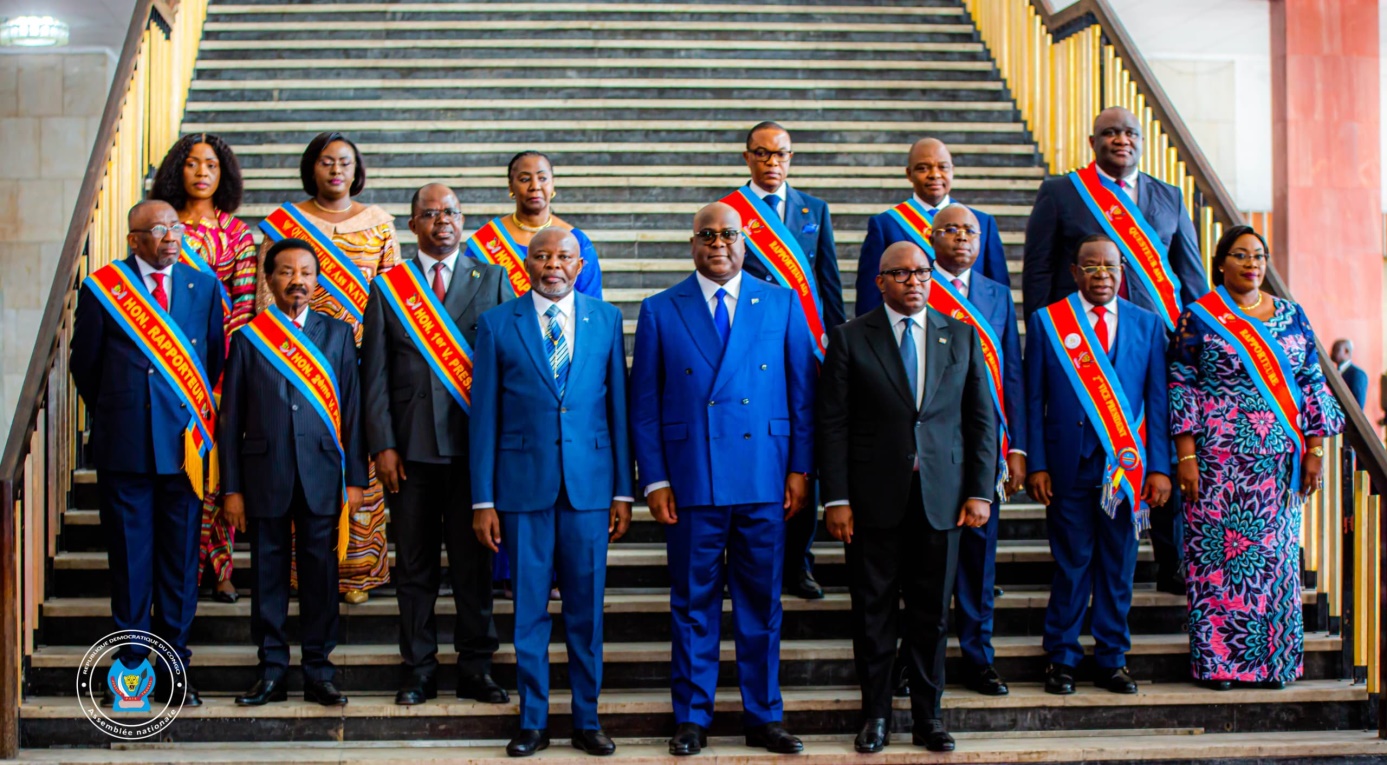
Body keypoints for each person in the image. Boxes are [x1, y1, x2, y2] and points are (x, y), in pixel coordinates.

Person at [630, 202, 817, 756]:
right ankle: (692, 716)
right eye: (707, 235)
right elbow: (644, 406)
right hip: (691, 483)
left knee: (762, 603)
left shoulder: (781, 304)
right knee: (693, 602)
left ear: (745, 240)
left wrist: (800, 468)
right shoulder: (661, 308)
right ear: (692, 243)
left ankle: (764, 716)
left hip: (764, 477)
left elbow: (803, 396)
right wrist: (655, 479)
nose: (718, 243)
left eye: (728, 234)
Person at [820, 240, 997, 754]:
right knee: (872, 613)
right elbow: (832, 425)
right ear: (881, 282)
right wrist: (836, 499)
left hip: (942, 499)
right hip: (872, 502)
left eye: (921, 272)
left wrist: (979, 492)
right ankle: (875, 716)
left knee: (931, 615)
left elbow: (981, 423)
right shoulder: (851, 339)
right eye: (901, 274)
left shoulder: (961, 338)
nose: (914, 281)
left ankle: (928, 718)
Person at [1022, 106, 1208, 595]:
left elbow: (1190, 276)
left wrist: (1197, 346)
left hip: (1154, 345)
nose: (1119, 140)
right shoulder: (1062, 192)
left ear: (1140, 140)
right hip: (1080, 347)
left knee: (1159, 444)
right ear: (1093, 141)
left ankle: (1170, 559)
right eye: (1109, 133)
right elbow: (1039, 271)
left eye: (1128, 132)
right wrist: (1044, 339)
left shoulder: (1168, 196)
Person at [470, 228, 633, 757]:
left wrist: (624, 492)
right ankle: (533, 722)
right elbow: (484, 418)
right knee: (529, 614)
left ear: (581, 263)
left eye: (564, 256)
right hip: (522, 492)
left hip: (589, 491)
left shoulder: (606, 320)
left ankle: (587, 720)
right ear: (526, 263)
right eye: (542, 255)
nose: (553, 264)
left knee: (586, 613)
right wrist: (483, 499)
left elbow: (619, 413)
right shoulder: (497, 324)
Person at [1169, 226, 1344, 690]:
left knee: (1274, 560)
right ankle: (1218, 664)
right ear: (1221, 262)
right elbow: (1182, 381)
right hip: (1216, 460)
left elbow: (1311, 380)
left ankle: (1273, 665)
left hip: (1276, 462)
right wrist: (1185, 456)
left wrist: (1316, 448)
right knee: (1216, 561)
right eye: (1241, 255)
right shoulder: (1198, 316)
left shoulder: (1291, 315)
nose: (1252, 263)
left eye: (1260, 256)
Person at [360, 184, 513, 706]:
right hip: (411, 453)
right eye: (430, 214)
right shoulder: (388, 287)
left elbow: (505, 369)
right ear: (412, 225)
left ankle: (476, 667)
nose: (441, 221)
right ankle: (419, 668)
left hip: (474, 452)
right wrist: (382, 444)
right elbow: (374, 373)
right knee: (416, 568)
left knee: (474, 570)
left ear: (462, 219)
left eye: (450, 212)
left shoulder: (492, 279)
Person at [70, 199, 225, 708]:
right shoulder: (104, 288)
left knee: (179, 566)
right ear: (134, 239)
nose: (171, 236)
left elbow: (214, 358)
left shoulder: (202, 286)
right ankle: (133, 678)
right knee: (132, 567)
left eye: (175, 227)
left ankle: (175, 670)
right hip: (126, 448)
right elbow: (86, 367)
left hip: (185, 451)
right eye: (158, 229)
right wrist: (122, 411)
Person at [220, 239, 366, 708]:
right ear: (270, 279)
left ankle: (319, 671)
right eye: (286, 272)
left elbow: (354, 412)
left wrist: (356, 479)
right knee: (267, 576)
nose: (297, 281)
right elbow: (229, 421)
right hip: (265, 475)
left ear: (317, 279)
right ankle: (271, 671)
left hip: (324, 473)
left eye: (306, 272)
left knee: (322, 577)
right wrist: (232, 489)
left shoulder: (339, 335)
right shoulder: (248, 339)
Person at [1025, 235, 1172, 696]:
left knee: (1118, 565)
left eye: (1110, 266)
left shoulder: (1147, 325)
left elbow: (1159, 403)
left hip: (1125, 473)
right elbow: (1033, 400)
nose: (1102, 274)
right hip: (1067, 465)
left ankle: (1112, 658)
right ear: (1075, 272)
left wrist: (1160, 469)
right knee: (1071, 564)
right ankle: (1063, 658)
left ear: (1123, 270)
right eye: (1091, 267)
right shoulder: (1049, 322)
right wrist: (1037, 464)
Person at [257, 131, 399, 605]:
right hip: (294, 362)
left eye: (345, 162)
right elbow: (266, 296)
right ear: (311, 167)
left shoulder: (380, 224)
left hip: (359, 359)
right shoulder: (284, 223)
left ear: (357, 170)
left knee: (358, 463)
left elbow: (393, 298)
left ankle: (356, 570)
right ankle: (305, 573)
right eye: (325, 162)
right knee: (298, 463)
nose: (335, 170)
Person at [464, 151, 604, 595]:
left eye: (542, 177)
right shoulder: (483, 243)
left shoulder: (576, 240)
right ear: (511, 186)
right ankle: (509, 571)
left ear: (554, 183)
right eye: (524, 178)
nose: (534, 186)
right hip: (509, 362)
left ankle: (560, 572)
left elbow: (590, 312)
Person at [723, 120, 842, 601]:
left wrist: (837, 348)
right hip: (752, 349)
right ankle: (740, 559)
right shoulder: (730, 211)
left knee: (803, 453)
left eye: (782, 155)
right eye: (764, 154)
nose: (773, 163)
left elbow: (828, 284)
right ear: (748, 157)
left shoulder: (815, 209)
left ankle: (799, 562)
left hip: (806, 348)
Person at [149, 132, 256, 605]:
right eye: (192, 164)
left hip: (216, 367)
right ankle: (178, 568)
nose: (201, 172)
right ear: (178, 170)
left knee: (216, 469)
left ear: (223, 174)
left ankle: (222, 569)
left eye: (211, 165)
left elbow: (245, 303)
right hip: (163, 364)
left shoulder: (237, 234)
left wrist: (223, 368)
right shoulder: (164, 228)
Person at [926, 205, 1025, 696]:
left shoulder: (997, 296)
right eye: (951, 230)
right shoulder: (918, 286)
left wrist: (1018, 446)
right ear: (932, 236)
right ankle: (919, 659)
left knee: (980, 562)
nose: (962, 238)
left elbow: (1012, 376)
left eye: (970, 230)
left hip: (987, 446)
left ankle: (978, 658)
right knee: (925, 564)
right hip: (934, 448)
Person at [855, 138, 1011, 317]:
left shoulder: (982, 223)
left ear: (952, 171)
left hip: (974, 333)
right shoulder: (886, 224)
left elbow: (997, 291)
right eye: (923, 168)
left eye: (942, 167)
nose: (934, 174)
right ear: (909, 173)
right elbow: (870, 295)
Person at [1331, 339, 1369, 408]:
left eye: (1336, 350)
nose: (1332, 353)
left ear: (1346, 351)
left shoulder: (1357, 375)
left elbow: (1358, 407)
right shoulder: (1334, 372)